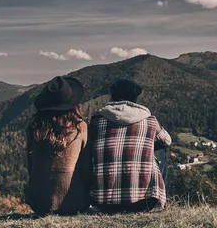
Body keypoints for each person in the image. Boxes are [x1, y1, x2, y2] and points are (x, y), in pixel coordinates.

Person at [90, 78, 172, 213]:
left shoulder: (96, 121)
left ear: (112, 96)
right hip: (144, 202)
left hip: (103, 203)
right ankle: (162, 199)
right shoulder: (151, 120)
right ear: (135, 98)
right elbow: (167, 140)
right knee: (161, 148)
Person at [24, 76, 91, 216]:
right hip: (74, 203)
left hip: (39, 204)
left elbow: (31, 167)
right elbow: (87, 168)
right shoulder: (80, 128)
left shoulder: (34, 129)